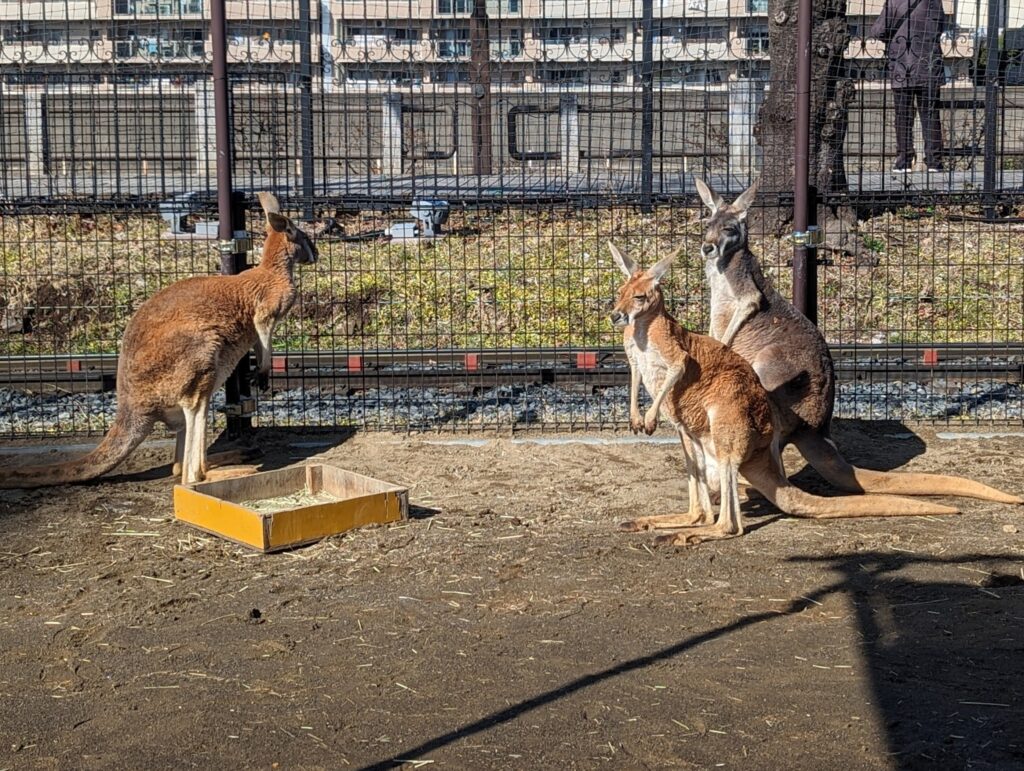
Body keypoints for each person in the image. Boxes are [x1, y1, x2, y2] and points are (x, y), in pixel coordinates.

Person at [870, 0, 947, 172]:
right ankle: (934, 161)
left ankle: (904, 160)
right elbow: (941, 26)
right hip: (929, 64)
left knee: (903, 115)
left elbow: (878, 30)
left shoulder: (894, 2)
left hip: (902, 66)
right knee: (930, 113)